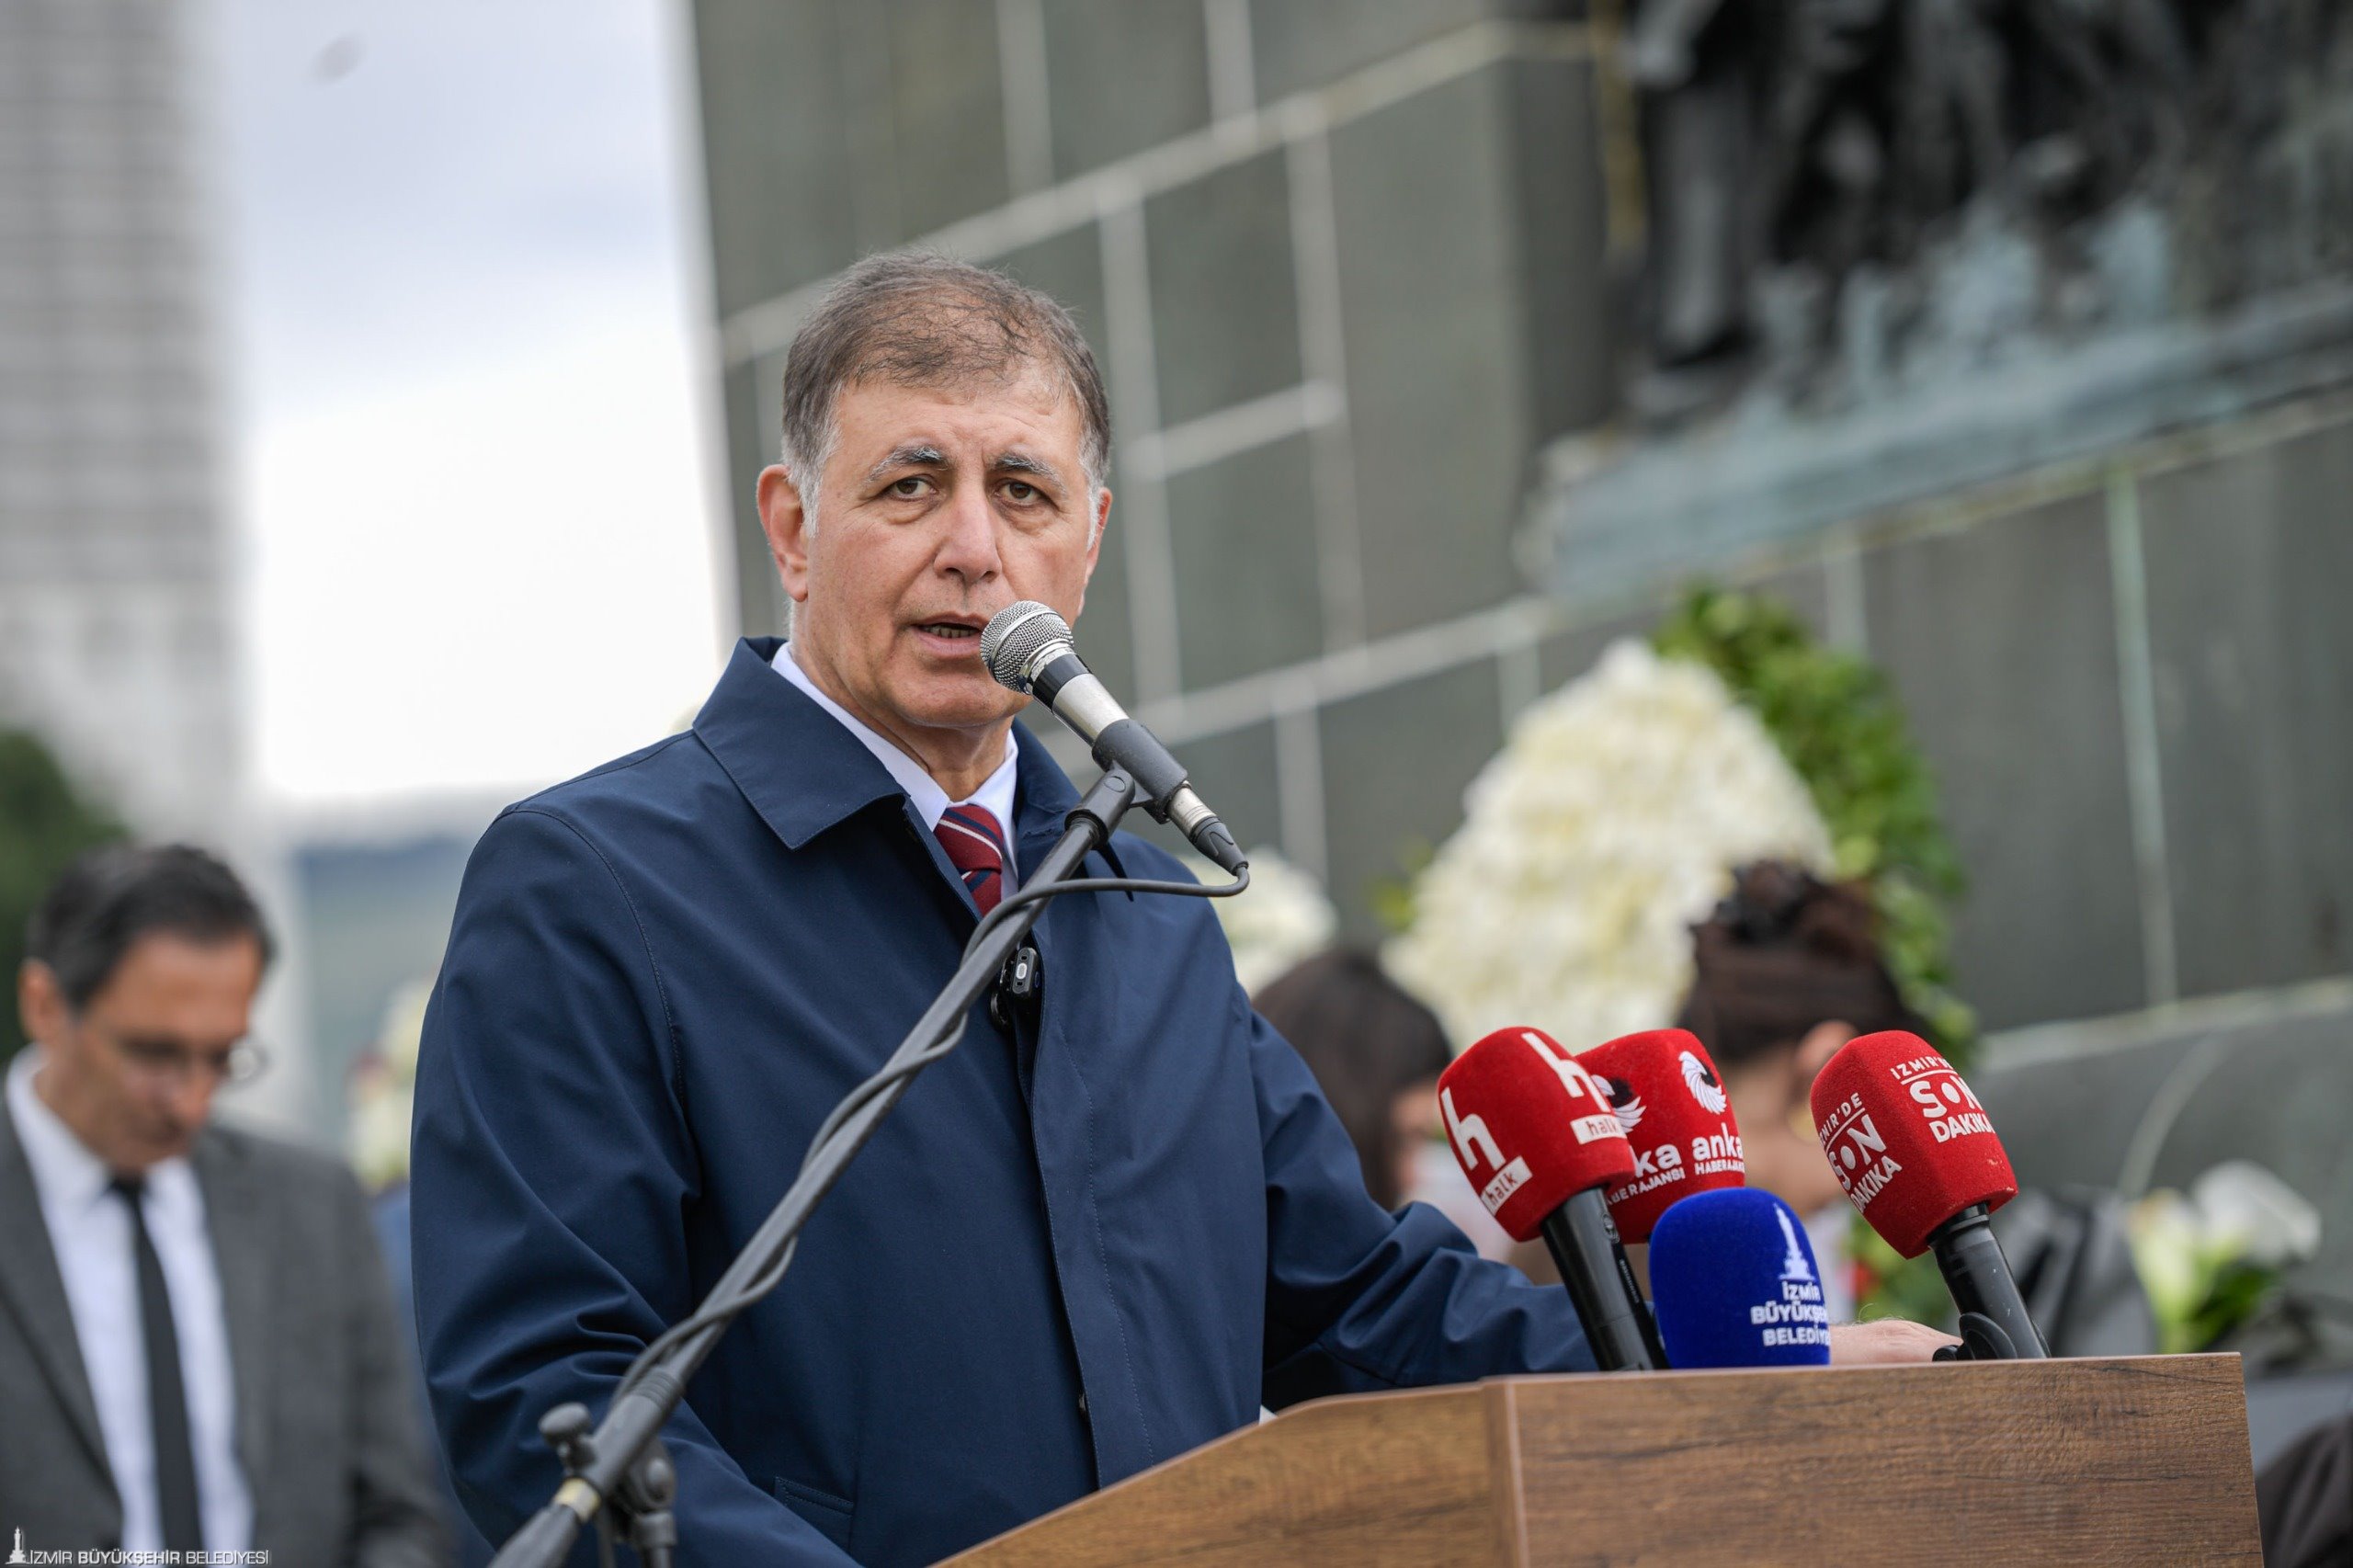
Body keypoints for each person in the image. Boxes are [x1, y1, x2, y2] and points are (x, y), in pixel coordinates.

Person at [411, 251, 1949, 1568]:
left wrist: (1742, 1380)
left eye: (1023, 491)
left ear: (1087, 542)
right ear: (794, 528)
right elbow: (546, 1386)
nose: (973, 548)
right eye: (910, 484)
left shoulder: (1134, 908)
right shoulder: (595, 886)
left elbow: (1365, 1309)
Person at [0, 845, 447, 1565]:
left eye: (222, 1058)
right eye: (154, 1054)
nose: (190, 1101)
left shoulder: (315, 1207)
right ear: (45, 1006)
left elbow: (397, 1514)